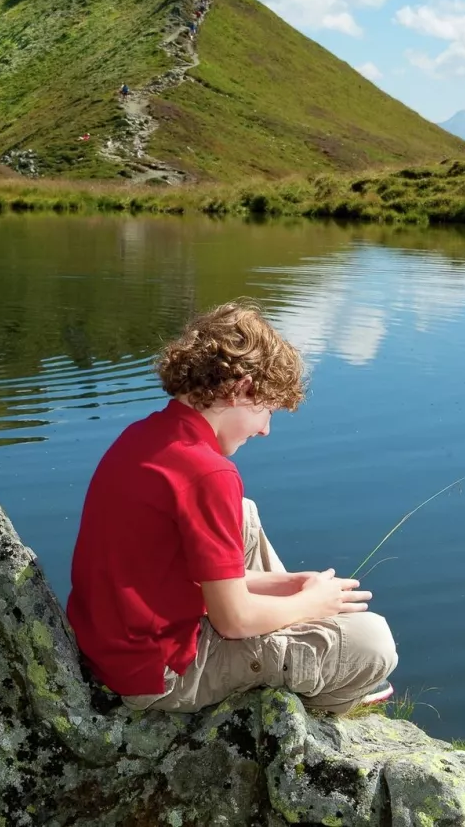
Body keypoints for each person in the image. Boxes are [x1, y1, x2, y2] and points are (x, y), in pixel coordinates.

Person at [67, 301, 397, 715]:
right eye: (267, 411)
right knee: (373, 642)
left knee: (243, 512)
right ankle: (316, 699)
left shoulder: (144, 435)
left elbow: (174, 573)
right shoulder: (209, 473)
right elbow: (233, 622)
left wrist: (287, 583)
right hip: (162, 675)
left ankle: (286, 630)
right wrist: (313, 605)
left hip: (113, 647)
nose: (265, 430)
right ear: (242, 389)